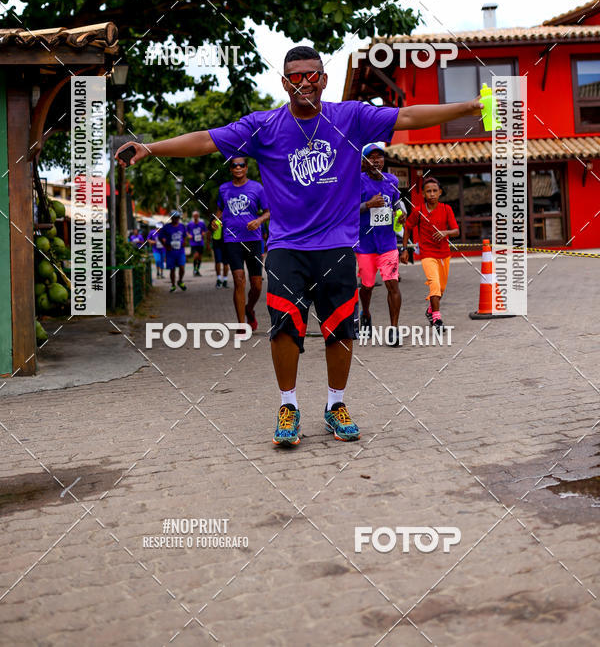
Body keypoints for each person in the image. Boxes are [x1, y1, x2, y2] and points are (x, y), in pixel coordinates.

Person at [117, 45, 482, 446]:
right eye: (295, 76)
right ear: (284, 82)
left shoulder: (350, 117)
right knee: (285, 328)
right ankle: (288, 407)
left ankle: (336, 404)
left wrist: (469, 107)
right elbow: (205, 140)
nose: (303, 82)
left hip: (338, 245)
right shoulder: (264, 126)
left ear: (323, 79)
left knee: (340, 328)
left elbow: (408, 116)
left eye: (311, 75)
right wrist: (151, 148)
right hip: (287, 246)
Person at [356, 143, 406, 347]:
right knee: (367, 286)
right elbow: (347, 209)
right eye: (371, 157)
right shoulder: (357, 181)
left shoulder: (391, 180)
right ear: (364, 162)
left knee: (392, 285)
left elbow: (397, 203)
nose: (376, 160)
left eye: (379, 157)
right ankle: (366, 314)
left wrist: (401, 213)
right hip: (365, 245)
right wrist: (368, 205)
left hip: (387, 244)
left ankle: (394, 329)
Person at [212, 157, 269, 331]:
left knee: (257, 285)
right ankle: (241, 325)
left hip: (253, 240)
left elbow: (268, 212)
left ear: (246, 168)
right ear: (230, 169)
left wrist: (258, 221)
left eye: (241, 165)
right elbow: (220, 210)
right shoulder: (223, 189)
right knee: (238, 280)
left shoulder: (257, 188)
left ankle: (249, 309)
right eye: (234, 165)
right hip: (232, 240)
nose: (238, 168)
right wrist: (215, 220)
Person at [401, 178, 460, 331]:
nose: (432, 194)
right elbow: (407, 227)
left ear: (440, 192)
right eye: (428, 191)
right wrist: (405, 249)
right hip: (427, 254)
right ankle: (437, 319)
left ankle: (430, 311)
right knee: (434, 284)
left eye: (435, 191)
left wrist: (445, 232)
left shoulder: (446, 209)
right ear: (423, 194)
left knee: (441, 289)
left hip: (444, 254)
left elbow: (456, 230)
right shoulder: (418, 211)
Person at [158, 210, 188, 293]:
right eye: (175, 218)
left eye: (178, 218)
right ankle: (173, 285)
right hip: (170, 252)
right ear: (171, 218)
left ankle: (180, 281)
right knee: (172, 269)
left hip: (180, 251)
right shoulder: (166, 227)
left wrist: (184, 242)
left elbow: (184, 236)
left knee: (182, 267)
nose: (176, 219)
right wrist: (165, 245)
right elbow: (160, 237)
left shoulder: (182, 226)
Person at [187, 211, 208, 276]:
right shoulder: (190, 224)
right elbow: (186, 231)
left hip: (200, 243)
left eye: (197, 215)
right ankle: (195, 269)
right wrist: (189, 235)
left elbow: (205, 230)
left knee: (200, 258)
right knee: (196, 256)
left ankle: (197, 270)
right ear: (193, 216)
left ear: (198, 216)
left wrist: (204, 233)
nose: (195, 217)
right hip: (193, 243)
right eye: (194, 216)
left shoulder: (202, 223)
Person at [210, 216, 229, 288]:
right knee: (218, 261)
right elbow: (209, 229)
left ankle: (225, 280)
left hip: (226, 243)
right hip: (217, 243)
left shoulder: (228, 216)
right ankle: (218, 279)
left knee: (226, 263)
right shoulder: (214, 218)